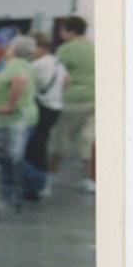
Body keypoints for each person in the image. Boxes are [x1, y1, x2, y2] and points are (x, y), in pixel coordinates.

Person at [0, 35, 37, 204]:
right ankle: (12, 191)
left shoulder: (16, 65)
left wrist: (9, 106)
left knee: (10, 157)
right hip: (18, 118)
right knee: (9, 157)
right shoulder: (25, 64)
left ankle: (36, 182)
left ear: (14, 50)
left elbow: (20, 79)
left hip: (14, 119)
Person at [48, 15, 95, 192]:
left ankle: (51, 173)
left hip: (71, 100)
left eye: (63, 30)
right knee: (87, 139)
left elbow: (58, 74)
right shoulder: (93, 47)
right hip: (94, 99)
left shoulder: (66, 49)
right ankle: (90, 179)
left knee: (60, 137)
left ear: (71, 31)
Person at [22, 30, 66, 200]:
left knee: (33, 148)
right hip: (55, 106)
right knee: (40, 145)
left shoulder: (36, 65)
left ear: (41, 47)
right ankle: (41, 183)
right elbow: (67, 80)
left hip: (42, 107)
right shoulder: (56, 61)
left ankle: (36, 185)